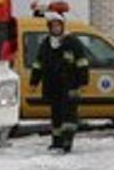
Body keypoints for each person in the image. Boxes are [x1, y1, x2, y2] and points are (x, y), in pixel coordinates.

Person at [30, 11, 89, 154]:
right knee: (56, 114)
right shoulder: (46, 44)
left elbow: (82, 62)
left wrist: (83, 81)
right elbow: (38, 63)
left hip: (70, 85)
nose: (56, 28)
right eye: (53, 26)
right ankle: (57, 142)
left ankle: (67, 142)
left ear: (62, 26)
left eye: (58, 26)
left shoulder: (72, 42)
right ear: (49, 28)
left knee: (69, 115)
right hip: (53, 85)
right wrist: (34, 81)